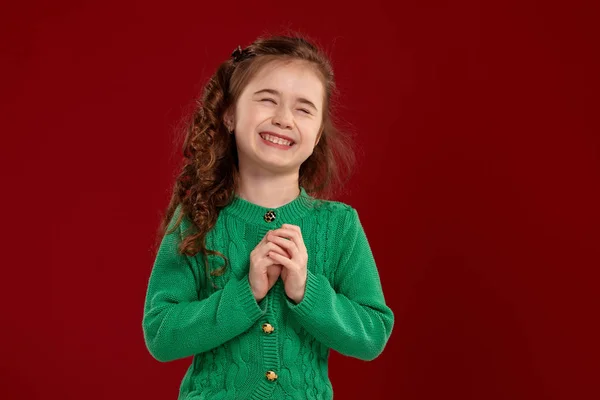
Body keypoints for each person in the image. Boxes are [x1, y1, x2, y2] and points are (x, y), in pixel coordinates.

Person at [142, 34, 394, 400]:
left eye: (304, 108)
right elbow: (162, 335)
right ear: (229, 115)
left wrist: (307, 291)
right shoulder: (197, 217)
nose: (283, 119)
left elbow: (372, 335)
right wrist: (245, 294)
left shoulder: (340, 225)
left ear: (318, 132)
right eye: (267, 100)